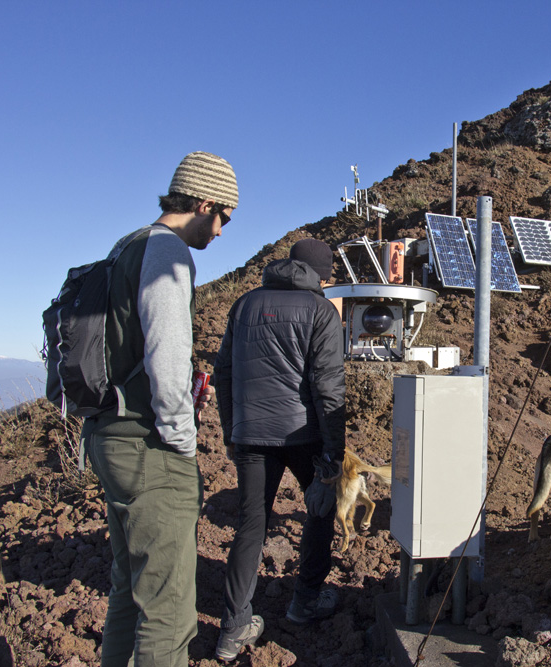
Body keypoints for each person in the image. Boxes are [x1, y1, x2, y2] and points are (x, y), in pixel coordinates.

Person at [81, 151, 238, 667]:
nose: (220, 233)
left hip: (108, 434)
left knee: (129, 591)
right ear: (203, 202)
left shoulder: (126, 246)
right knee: (170, 612)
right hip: (149, 447)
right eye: (223, 218)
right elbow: (166, 352)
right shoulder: (168, 253)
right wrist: (183, 437)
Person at [214, 238, 346, 662]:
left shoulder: (244, 305)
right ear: (319, 274)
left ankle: (233, 627)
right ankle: (305, 600)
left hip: (251, 434)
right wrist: (334, 453)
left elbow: (224, 375)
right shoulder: (320, 310)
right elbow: (328, 389)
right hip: (303, 435)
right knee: (321, 509)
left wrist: (231, 433)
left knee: (251, 525)